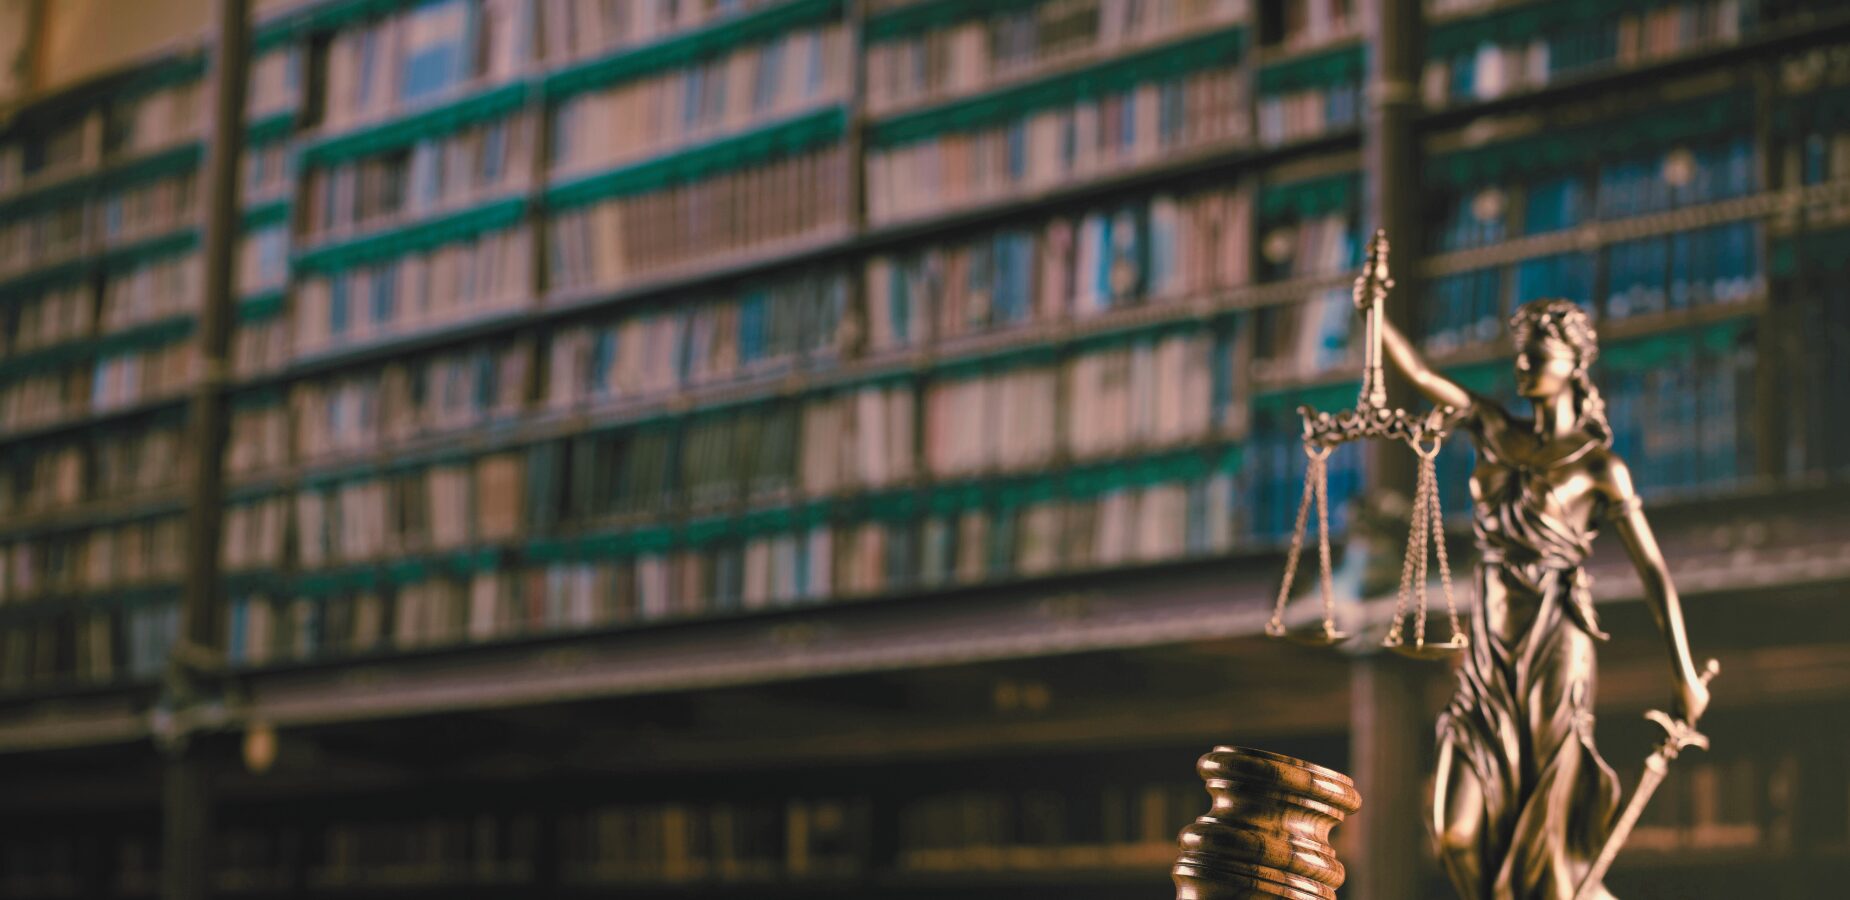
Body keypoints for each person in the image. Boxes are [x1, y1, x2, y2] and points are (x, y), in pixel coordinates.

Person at [1355, 284, 1711, 899]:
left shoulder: (1600, 467)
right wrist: (1373, 311)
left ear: (1575, 362)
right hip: (1489, 658)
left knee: (1542, 848)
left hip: (1556, 644)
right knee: (1453, 835)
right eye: (1519, 354)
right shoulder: (1492, 428)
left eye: (1537, 354)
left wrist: (1684, 674)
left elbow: (1653, 570)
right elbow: (1414, 373)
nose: (1521, 366)